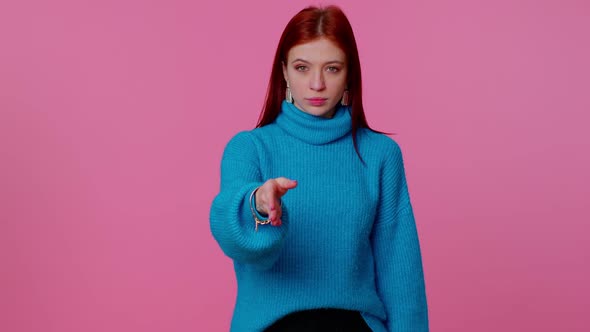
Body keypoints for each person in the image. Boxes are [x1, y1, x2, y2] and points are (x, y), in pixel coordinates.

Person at [210, 5, 428, 332]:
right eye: (302, 67)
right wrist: (258, 204)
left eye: (332, 68)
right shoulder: (249, 147)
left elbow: (401, 272)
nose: (316, 84)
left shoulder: (380, 154)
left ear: (349, 75)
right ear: (283, 72)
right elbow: (234, 240)